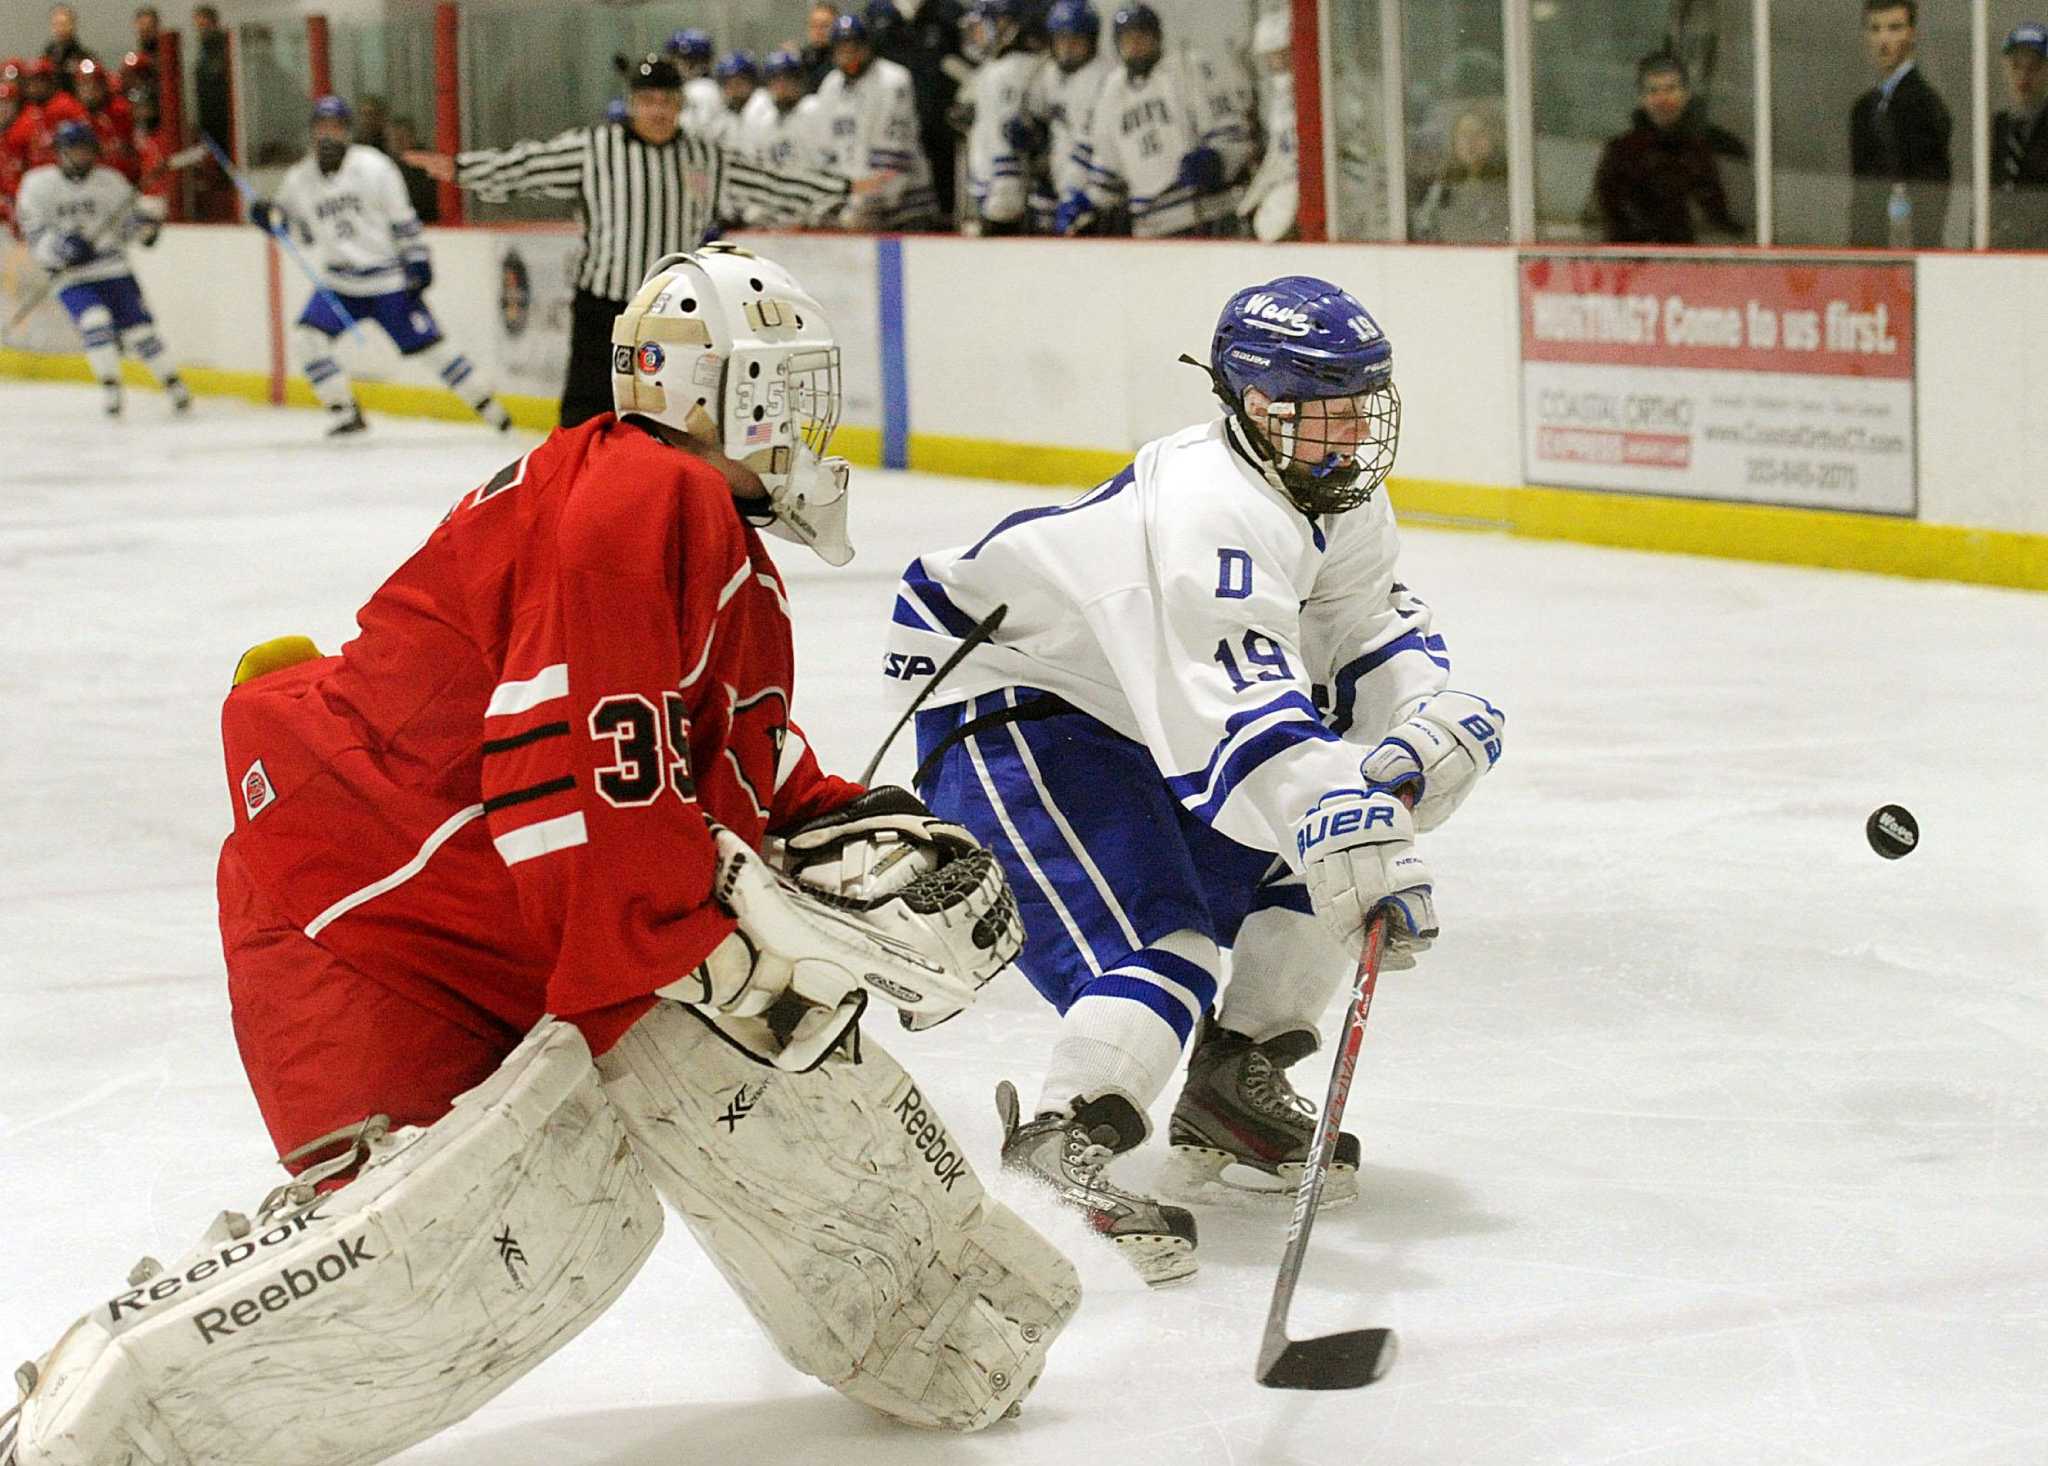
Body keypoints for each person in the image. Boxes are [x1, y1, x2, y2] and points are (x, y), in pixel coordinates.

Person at [0, 243, 1076, 1466]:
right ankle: (87, 1431)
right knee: (488, 1228)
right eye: (783, 386)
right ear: (715, 394)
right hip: (365, 884)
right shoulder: (643, 499)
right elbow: (569, 768)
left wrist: (851, 821)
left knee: (530, 1198)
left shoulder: (699, 535)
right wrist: (706, 966)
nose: (801, 420)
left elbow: (711, 759)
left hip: (416, 873)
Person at [884, 275, 1505, 1284]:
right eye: (1331, 409)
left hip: (1145, 712)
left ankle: (1228, 1079)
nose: (1354, 432)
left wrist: (1418, 731)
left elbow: (1363, 631)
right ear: (1261, 407)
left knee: (1309, 866)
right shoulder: (1209, 510)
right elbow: (1242, 732)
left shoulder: (1330, 489)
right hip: (1027, 707)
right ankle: (1061, 1131)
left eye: (1362, 406)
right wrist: (1363, 834)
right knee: (1169, 944)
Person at [404, 55, 857, 430]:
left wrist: (843, 189)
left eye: (666, 101)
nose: (657, 110)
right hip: (604, 308)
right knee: (585, 419)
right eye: (647, 101)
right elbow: (526, 166)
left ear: (680, 104)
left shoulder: (705, 156)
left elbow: (770, 183)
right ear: (632, 104)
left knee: (668, 420)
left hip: (674, 315)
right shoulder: (594, 149)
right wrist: (462, 170)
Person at [254, 95, 510, 436]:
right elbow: (293, 228)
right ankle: (346, 410)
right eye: (322, 127)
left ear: (347, 131)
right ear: (312, 131)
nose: (328, 134)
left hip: (388, 280)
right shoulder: (299, 178)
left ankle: (491, 411)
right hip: (340, 284)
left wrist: (417, 258)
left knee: (433, 349)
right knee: (307, 340)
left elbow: (402, 218)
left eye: (336, 127)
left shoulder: (374, 166)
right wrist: (268, 218)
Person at [16, 119, 188, 417]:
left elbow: (128, 223)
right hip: (72, 276)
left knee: (140, 331)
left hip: (114, 269)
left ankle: (173, 385)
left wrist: (145, 230)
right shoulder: (37, 185)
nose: (82, 155)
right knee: (95, 321)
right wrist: (63, 248)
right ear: (61, 152)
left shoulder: (110, 181)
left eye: (86, 149)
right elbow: (35, 235)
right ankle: (112, 390)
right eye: (75, 149)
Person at [1055, 4, 1252, 239]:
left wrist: (1219, 159)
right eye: (1127, 40)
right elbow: (1108, 169)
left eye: (1142, 37)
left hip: (1209, 214)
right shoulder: (1110, 91)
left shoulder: (1188, 69)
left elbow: (1233, 134)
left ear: (1157, 38)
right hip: (1151, 226)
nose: (1135, 46)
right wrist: (1086, 202)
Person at [1591, 52, 1743, 244]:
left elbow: (1722, 219)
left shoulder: (1710, 148)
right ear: (1642, 98)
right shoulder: (1621, 152)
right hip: (1632, 264)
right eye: (1653, 91)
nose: (1662, 99)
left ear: (1686, 94)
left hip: (1689, 262)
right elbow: (1605, 216)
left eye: (1671, 88)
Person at [813, 13, 941, 229]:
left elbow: (893, 154)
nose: (848, 55)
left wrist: (861, 204)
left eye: (854, 47)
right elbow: (826, 149)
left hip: (906, 207)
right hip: (855, 208)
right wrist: (836, 199)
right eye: (842, 49)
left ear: (867, 47)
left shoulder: (893, 80)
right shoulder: (830, 85)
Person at [1849, 0, 1951, 248]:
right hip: (1872, 247)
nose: (1883, 40)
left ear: (1912, 33)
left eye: (1894, 28)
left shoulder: (1924, 104)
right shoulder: (1864, 108)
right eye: (1875, 29)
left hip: (1908, 248)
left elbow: (1930, 193)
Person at [868, 0, 970, 220]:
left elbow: (968, 62)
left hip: (938, 124)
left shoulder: (948, 13)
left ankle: (944, 224)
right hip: (891, 130)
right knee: (893, 195)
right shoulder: (877, 14)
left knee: (943, 196)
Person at [960, 0, 1045, 234]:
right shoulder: (989, 69)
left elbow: (1009, 138)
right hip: (985, 191)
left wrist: (1004, 194)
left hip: (1009, 197)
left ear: (1005, 25)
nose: (974, 35)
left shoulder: (1017, 69)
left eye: (980, 27)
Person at [1023, 0, 1109, 232]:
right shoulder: (1048, 74)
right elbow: (1039, 120)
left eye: (1076, 40)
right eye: (1061, 40)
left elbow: (1093, 145)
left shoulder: (1103, 79)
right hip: (1057, 187)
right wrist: (1027, 135)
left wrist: (1073, 193)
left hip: (1091, 192)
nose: (1067, 48)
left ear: (1091, 41)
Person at [1237, 6, 1298, 242]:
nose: (1278, 63)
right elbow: (1278, 156)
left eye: (1285, 53)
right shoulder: (1279, 102)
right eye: (1271, 57)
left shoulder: (1327, 93)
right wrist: (1252, 199)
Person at [1412, 98, 1509, 243]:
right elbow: (1424, 230)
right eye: (1463, 134)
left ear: (1495, 138)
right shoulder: (1441, 187)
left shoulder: (1509, 187)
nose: (1470, 142)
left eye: (1479, 133)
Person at [739, 46, 825, 203]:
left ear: (799, 80)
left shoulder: (815, 109)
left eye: (787, 79)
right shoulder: (765, 120)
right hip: (779, 200)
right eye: (775, 80)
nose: (781, 87)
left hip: (818, 194)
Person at [1992, 22, 2048, 249]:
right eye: (2016, 66)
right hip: (2000, 249)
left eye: (2033, 67)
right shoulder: (1997, 127)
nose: (2023, 76)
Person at [2, 58, 87, 176]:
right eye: (30, 82)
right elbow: (15, 145)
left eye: (39, 81)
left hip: (67, 178)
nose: (34, 86)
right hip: (36, 182)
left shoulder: (67, 106)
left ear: (50, 81)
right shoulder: (28, 113)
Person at [71, 55, 139, 182]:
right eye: (84, 85)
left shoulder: (122, 111)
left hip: (125, 182)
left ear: (104, 86)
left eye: (94, 84)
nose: (89, 90)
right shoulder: (73, 116)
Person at [666, 27, 723, 132]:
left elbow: (691, 130)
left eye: (677, 59)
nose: (673, 64)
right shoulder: (707, 87)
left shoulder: (700, 90)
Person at [384, 115, 438, 223]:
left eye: (401, 138)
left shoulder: (426, 163)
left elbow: (424, 200)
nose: (397, 142)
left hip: (426, 223)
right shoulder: (386, 165)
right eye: (393, 138)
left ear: (413, 137)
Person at [703, 50, 759, 150]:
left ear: (752, 82)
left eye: (740, 82)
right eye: (729, 83)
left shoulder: (766, 112)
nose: (734, 88)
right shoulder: (719, 120)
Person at [42, 5, 88, 87]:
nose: (60, 29)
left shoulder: (83, 56)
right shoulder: (47, 55)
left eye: (64, 24)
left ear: (72, 25)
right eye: (57, 24)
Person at [801, 2, 842, 92]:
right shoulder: (803, 58)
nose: (818, 31)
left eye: (825, 26)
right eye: (814, 26)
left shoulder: (842, 59)